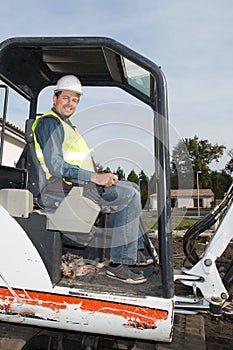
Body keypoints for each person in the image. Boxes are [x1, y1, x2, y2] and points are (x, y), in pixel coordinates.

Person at [32, 75, 153, 284]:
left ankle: (137, 251)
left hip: (77, 185)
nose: (70, 103)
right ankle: (119, 263)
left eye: (75, 100)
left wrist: (101, 177)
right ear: (55, 99)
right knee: (129, 194)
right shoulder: (50, 124)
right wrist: (95, 177)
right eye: (66, 98)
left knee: (130, 186)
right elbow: (56, 166)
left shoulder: (66, 125)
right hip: (61, 189)